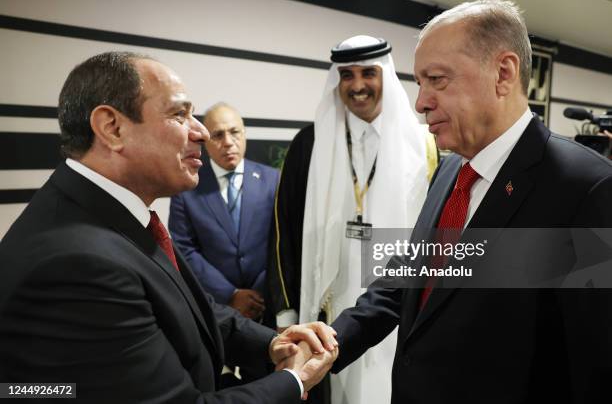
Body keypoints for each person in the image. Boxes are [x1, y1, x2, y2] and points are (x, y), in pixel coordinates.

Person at [0, 51, 338, 403]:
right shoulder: (77, 264)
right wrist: (294, 380)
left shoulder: (113, 213)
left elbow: (186, 304)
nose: (202, 132)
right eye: (180, 114)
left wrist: (273, 342)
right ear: (112, 128)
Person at [330, 0, 612, 403]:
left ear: (503, 73)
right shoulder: (449, 172)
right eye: (419, 83)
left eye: (437, 80)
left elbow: (596, 366)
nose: (420, 102)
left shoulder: (586, 187)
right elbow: (412, 275)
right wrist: (333, 341)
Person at [267, 35, 434, 404]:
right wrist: (285, 312)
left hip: (396, 307)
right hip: (326, 311)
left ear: (386, 76)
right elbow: (283, 235)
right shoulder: (309, 144)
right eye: (347, 75)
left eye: (368, 73)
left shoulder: (425, 146)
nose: (357, 85)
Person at [169, 102, 279, 385]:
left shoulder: (273, 180)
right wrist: (231, 294)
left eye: (235, 132)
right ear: (205, 140)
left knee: (267, 384)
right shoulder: (188, 186)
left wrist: (259, 291)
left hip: (268, 304)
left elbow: (282, 242)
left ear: (245, 134)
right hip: (216, 310)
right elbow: (183, 248)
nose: (228, 142)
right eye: (218, 135)